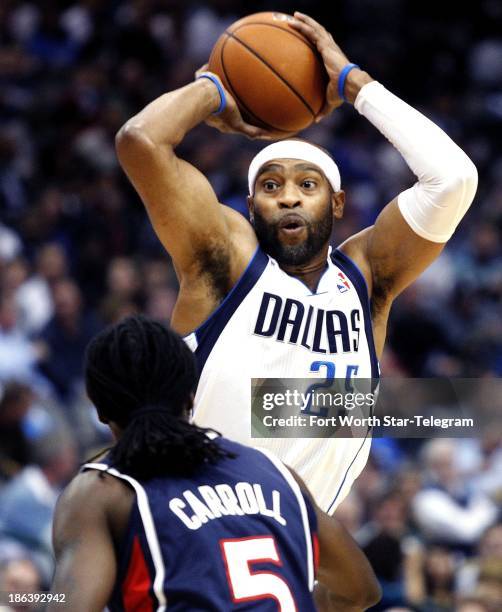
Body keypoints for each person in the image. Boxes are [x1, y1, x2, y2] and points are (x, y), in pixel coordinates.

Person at [115, 12, 478, 513]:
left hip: (295, 557)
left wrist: (356, 86)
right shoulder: (226, 261)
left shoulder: (366, 279)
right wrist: (214, 88)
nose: (288, 197)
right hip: (196, 529)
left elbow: (453, 179)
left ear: (337, 204)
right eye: (270, 186)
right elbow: (140, 141)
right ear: (250, 207)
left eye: (307, 185)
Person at [50, 315, 380, 611]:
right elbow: (360, 592)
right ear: (190, 394)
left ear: (99, 409)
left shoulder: (101, 491)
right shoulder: (275, 472)